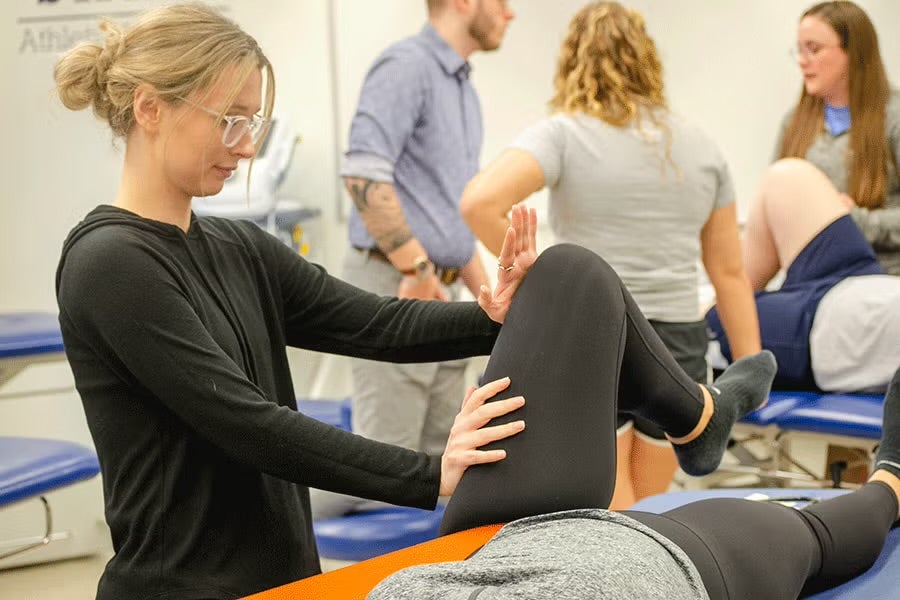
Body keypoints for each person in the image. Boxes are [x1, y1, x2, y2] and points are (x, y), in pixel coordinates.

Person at [52, 5, 536, 598]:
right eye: (230, 121)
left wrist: (494, 316)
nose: (247, 147)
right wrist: (431, 473)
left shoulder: (238, 247)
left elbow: (374, 323)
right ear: (150, 108)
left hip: (284, 579)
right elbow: (250, 425)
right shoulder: (111, 264)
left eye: (252, 123)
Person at [367, 243, 900, 600]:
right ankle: (890, 478)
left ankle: (698, 415)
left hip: (471, 558)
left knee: (567, 272)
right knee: (812, 535)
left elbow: (367, 322)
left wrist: (433, 476)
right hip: (647, 564)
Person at [458, 1, 760, 507]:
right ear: (648, 59)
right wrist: (749, 371)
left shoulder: (565, 133)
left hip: (600, 337)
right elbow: (729, 272)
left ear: (573, 59)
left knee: (611, 511)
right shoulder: (701, 145)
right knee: (648, 507)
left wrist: (545, 285)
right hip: (678, 344)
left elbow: (479, 203)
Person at [311, 0, 516, 519]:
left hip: (437, 289)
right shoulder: (406, 67)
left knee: (446, 470)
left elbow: (451, 212)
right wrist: (417, 271)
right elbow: (362, 175)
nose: (511, 13)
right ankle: (242, 517)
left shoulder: (463, 88)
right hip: (398, 282)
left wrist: (483, 291)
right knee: (385, 469)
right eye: (502, 1)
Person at [707, 158, 899, 393]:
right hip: (865, 280)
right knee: (788, 177)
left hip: (829, 333)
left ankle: (706, 312)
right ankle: (723, 295)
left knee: (713, 320)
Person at [774, 0, 899, 276]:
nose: (802, 60)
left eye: (814, 49)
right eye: (800, 49)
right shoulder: (794, 123)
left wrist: (851, 220)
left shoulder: (894, 119)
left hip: (881, 280)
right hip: (810, 281)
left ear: (853, 52)